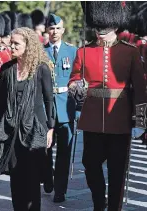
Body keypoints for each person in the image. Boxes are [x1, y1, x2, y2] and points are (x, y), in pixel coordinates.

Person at [69, 2, 147, 210]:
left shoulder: (129, 52)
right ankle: (98, 202)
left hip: (120, 119)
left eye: (105, 27)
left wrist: (141, 120)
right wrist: (76, 86)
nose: (100, 31)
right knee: (89, 164)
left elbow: (140, 89)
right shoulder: (83, 52)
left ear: (115, 26)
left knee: (117, 170)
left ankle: (114, 207)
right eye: (98, 26)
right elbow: (74, 77)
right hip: (93, 116)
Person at [0, 27, 55, 211]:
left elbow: (48, 99)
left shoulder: (41, 69)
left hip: (34, 129)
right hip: (11, 129)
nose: (11, 46)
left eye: (16, 43)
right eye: (11, 42)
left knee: (32, 178)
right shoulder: (6, 69)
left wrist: (50, 128)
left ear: (28, 46)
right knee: (16, 177)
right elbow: (1, 101)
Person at [44, 13, 77, 203]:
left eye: (58, 28)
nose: (54, 31)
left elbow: (78, 80)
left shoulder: (72, 52)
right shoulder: (40, 51)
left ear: (63, 30)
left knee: (64, 152)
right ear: (47, 30)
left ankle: (60, 190)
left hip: (66, 107)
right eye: (51, 28)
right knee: (44, 150)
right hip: (46, 108)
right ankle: (47, 177)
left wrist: (78, 109)